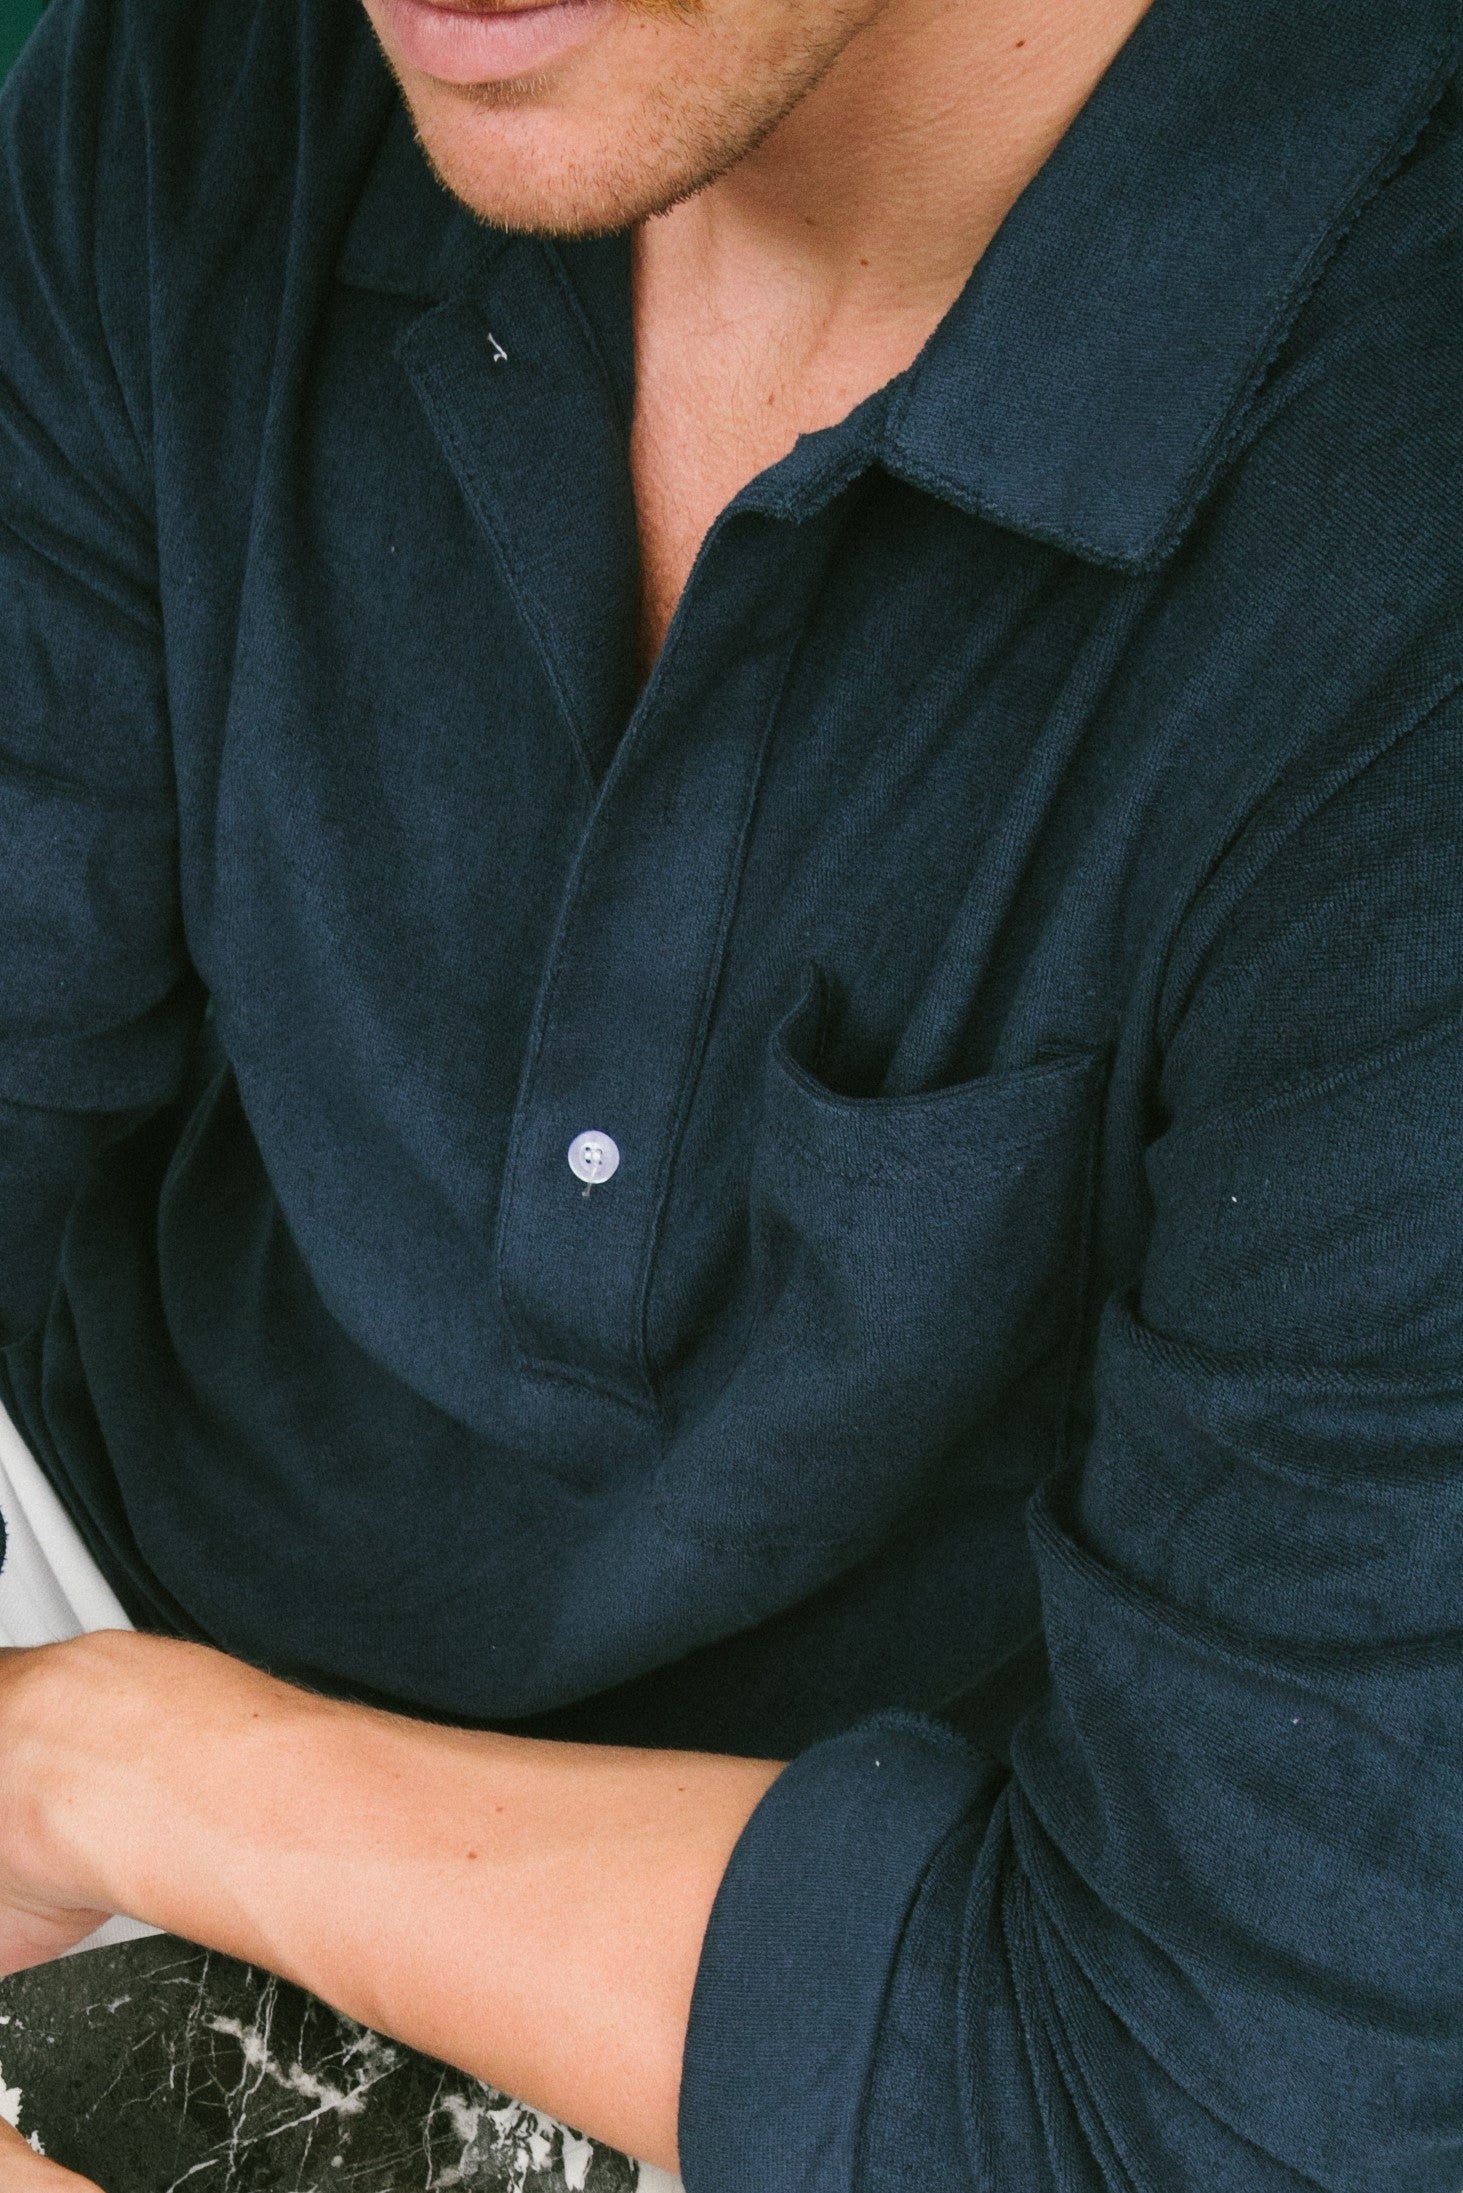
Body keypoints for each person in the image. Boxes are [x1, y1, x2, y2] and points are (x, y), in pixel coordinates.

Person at [0, 0, 1460, 2184]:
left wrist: (118, 1778)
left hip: (885, 2009)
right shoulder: (219, 85)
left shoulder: (1401, 536)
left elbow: (1212, 2093)